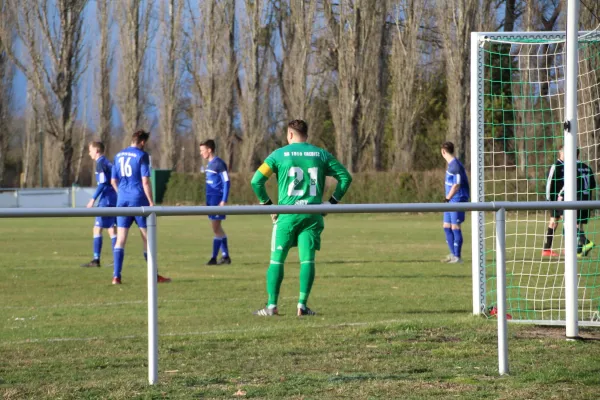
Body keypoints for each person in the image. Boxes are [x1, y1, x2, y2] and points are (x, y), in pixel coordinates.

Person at [250, 119, 352, 317]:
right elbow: (346, 177)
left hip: (287, 216)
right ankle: (302, 305)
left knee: (277, 261)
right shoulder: (320, 154)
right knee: (307, 261)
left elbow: (256, 181)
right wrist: (331, 203)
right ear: (306, 134)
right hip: (312, 216)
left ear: (289, 134)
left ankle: (272, 306)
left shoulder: (278, 155)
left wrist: (268, 205)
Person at [110, 130, 171, 285]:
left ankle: (116, 276)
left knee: (121, 239)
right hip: (139, 200)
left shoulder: (118, 155)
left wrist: (122, 193)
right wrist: (151, 202)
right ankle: (154, 276)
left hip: (122, 201)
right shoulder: (142, 156)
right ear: (143, 142)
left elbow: (113, 181)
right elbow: (145, 181)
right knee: (147, 238)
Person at [543, 146, 596, 257]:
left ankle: (570, 248)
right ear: (560, 153)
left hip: (569, 198)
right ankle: (548, 248)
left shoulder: (571, 167)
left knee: (569, 222)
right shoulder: (556, 166)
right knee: (561, 222)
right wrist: (549, 199)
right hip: (557, 199)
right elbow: (549, 184)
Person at [80, 141, 117, 268]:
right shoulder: (107, 162)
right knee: (111, 228)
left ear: (96, 150)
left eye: (90, 150)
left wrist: (92, 199)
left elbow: (102, 183)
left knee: (98, 228)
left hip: (106, 199)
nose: (89, 152)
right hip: (113, 198)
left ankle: (96, 260)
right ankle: (116, 259)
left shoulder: (100, 163)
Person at [199, 139, 231, 265]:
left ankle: (213, 258)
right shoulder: (209, 164)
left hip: (217, 201)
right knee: (218, 229)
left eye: (202, 150)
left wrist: (223, 200)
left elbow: (226, 181)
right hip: (210, 201)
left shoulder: (219, 163)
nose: (201, 153)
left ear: (209, 150)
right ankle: (226, 256)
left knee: (216, 228)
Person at [440, 141, 470, 264]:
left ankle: (457, 257)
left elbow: (456, 185)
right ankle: (453, 255)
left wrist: (447, 198)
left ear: (443, 152)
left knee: (455, 226)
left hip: (457, 199)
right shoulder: (451, 164)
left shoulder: (455, 166)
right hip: (450, 199)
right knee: (446, 226)